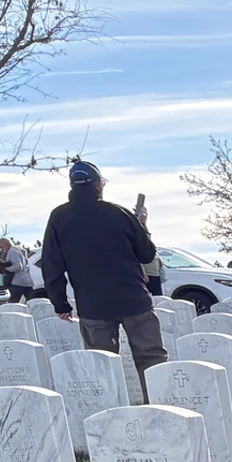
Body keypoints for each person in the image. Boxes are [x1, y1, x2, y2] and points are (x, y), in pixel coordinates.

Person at [38, 159, 167, 399]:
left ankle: (110, 417)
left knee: (101, 364)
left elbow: (51, 264)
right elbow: (146, 254)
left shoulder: (58, 217)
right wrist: (142, 226)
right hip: (134, 300)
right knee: (151, 359)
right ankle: (160, 409)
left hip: (93, 305)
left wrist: (60, 303)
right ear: (99, 185)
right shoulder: (119, 213)